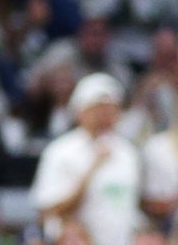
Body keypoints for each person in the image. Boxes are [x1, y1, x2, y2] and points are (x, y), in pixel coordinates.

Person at [29, 72, 142, 245]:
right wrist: (92, 170)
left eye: (111, 108)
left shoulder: (128, 152)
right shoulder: (60, 151)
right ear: (80, 111)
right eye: (98, 108)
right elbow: (48, 210)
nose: (105, 114)